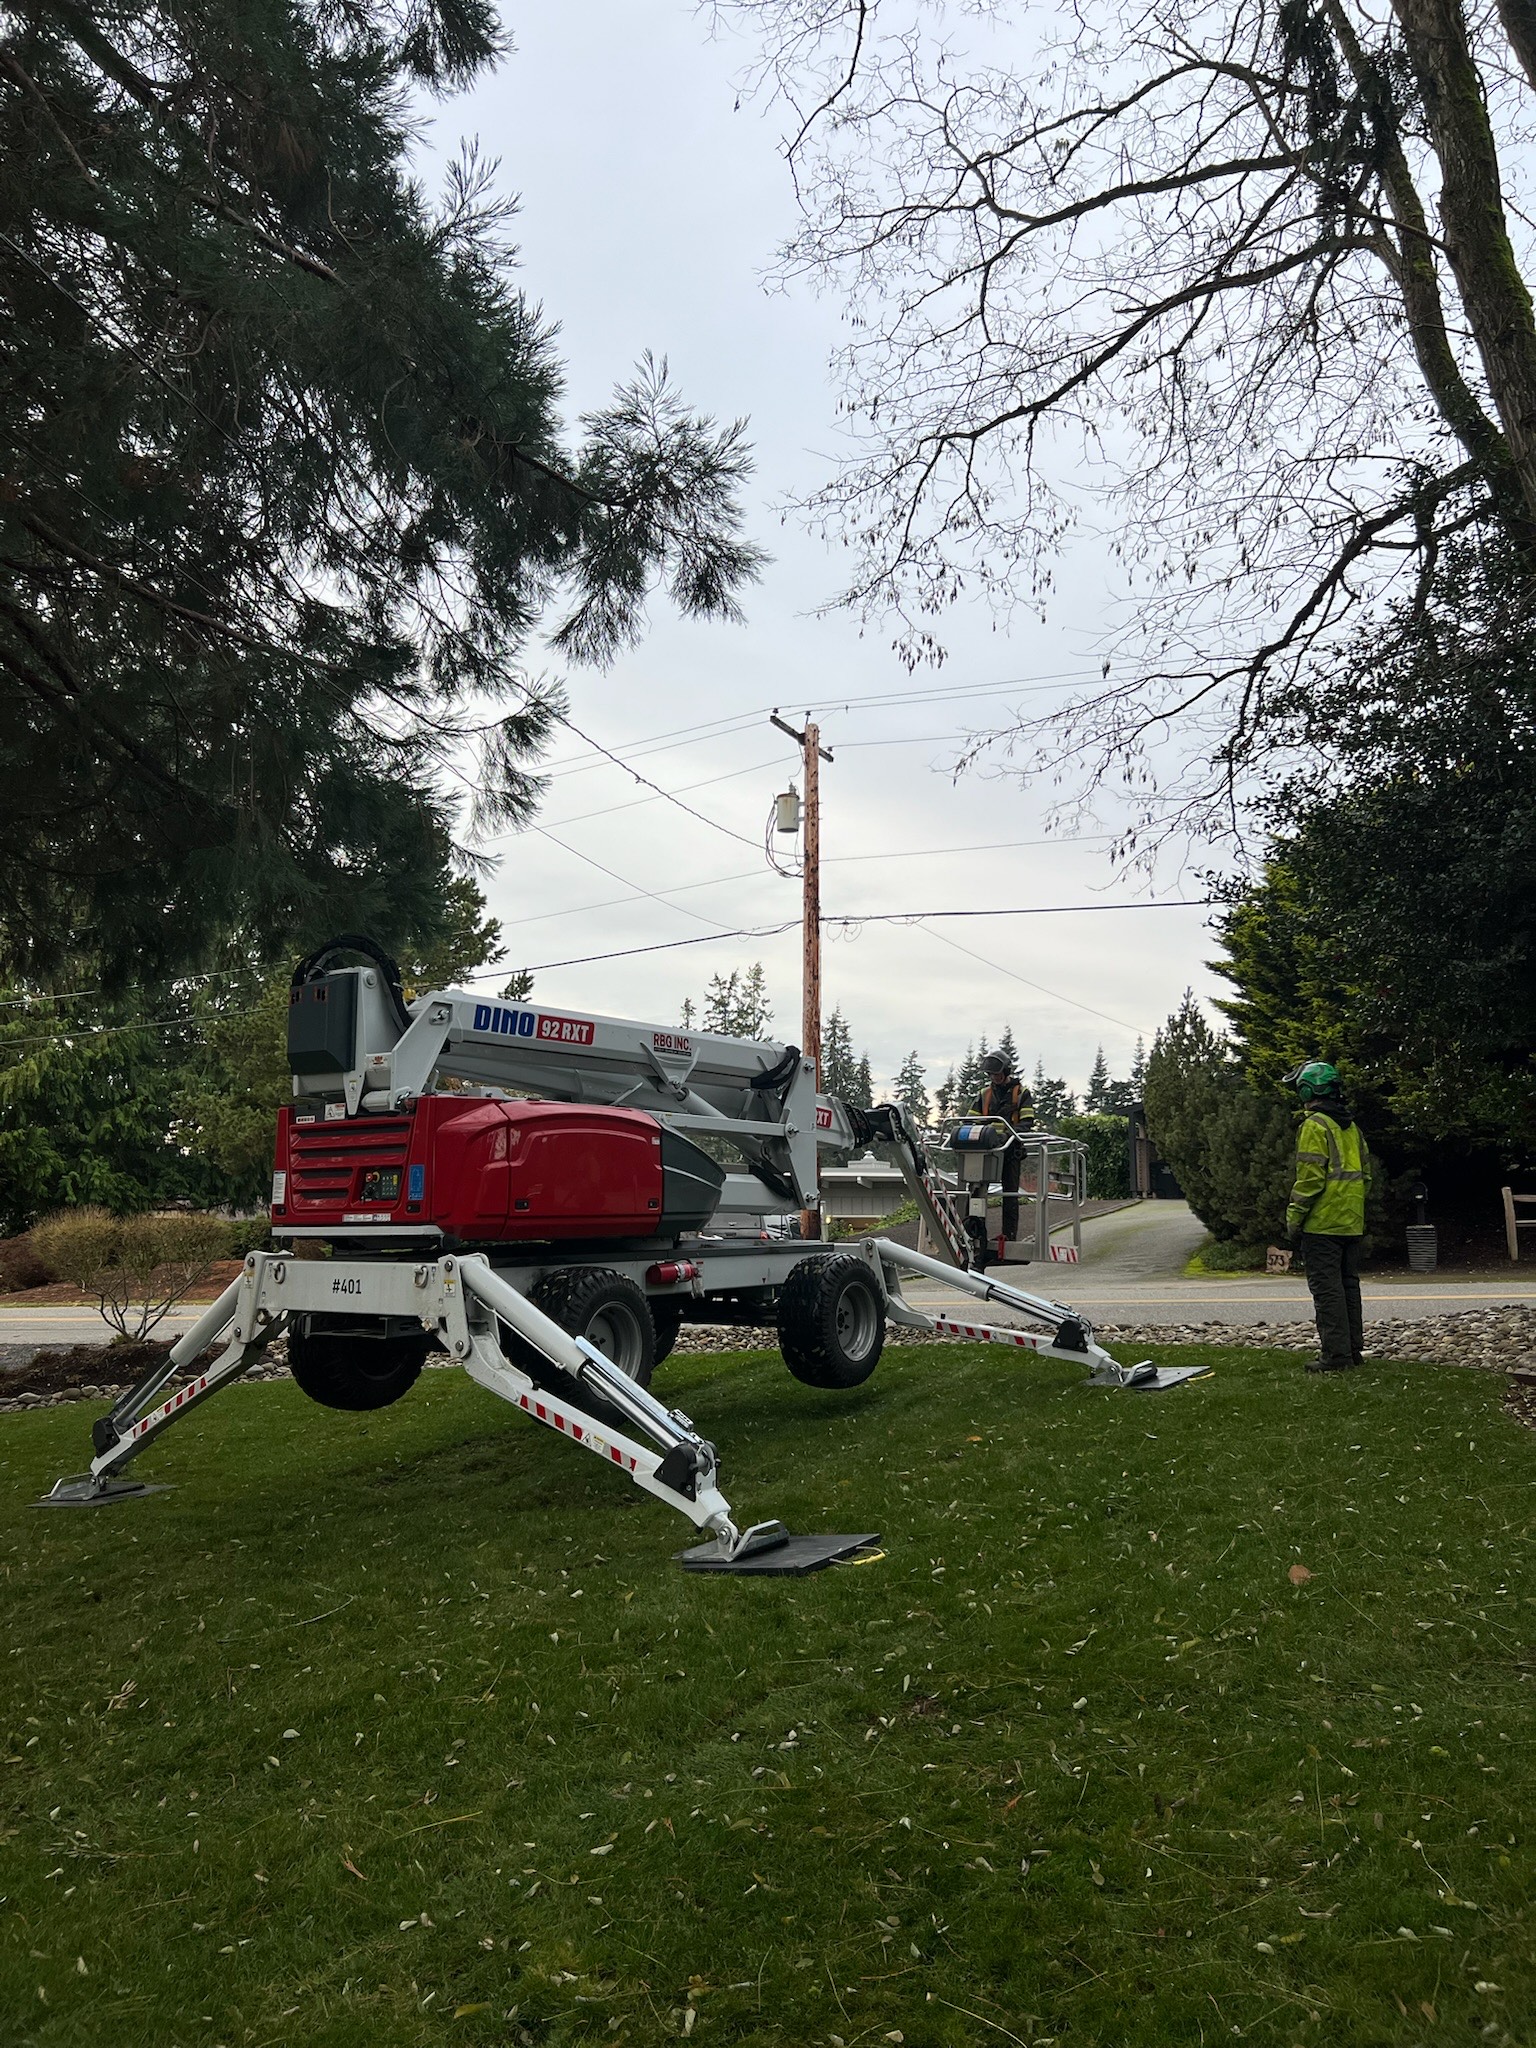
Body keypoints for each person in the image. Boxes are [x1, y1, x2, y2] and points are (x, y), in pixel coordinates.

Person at [1284, 1061, 1372, 1373]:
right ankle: (1352, 1351)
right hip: (1352, 1222)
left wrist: (1294, 1218)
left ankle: (1335, 1356)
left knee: (1327, 1289)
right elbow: (1367, 1175)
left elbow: (1309, 1181)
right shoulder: (1352, 1128)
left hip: (1322, 1225)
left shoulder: (1314, 1126)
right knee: (1349, 1285)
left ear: (1306, 1090)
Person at [969, 1051, 1036, 1243]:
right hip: (986, 1151)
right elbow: (971, 1119)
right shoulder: (984, 1094)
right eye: (991, 1075)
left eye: (997, 1074)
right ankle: (976, 1233)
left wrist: (1007, 1136)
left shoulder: (1021, 1093)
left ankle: (1009, 1235)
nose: (994, 1078)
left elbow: (1027, 1123)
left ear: (1006, 1071)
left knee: (1010, 1194)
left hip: (1010, 1150)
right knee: (977, 1191)